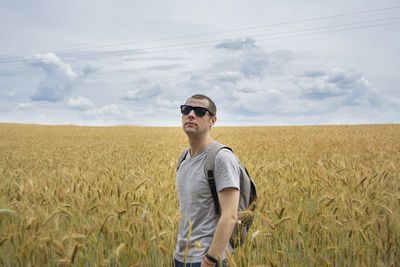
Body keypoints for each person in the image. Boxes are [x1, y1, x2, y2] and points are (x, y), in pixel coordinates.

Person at [174, 94, 240, 267]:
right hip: (181, 257)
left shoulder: (221, 158)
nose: (191, 114)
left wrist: (210, 259)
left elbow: (230, 215)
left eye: (200, 112)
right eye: (186, 109)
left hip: (206, 259)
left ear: (213, 121)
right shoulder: (183, 158)